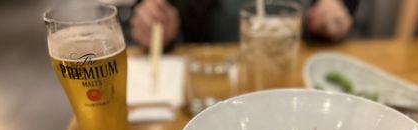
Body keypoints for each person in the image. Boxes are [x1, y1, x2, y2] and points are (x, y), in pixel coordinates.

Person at [130, 0, 358, 49]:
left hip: (303, 72)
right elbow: (155, 9)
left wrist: (334, 9)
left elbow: (342, 9)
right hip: (215, 83)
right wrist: (153, 20)